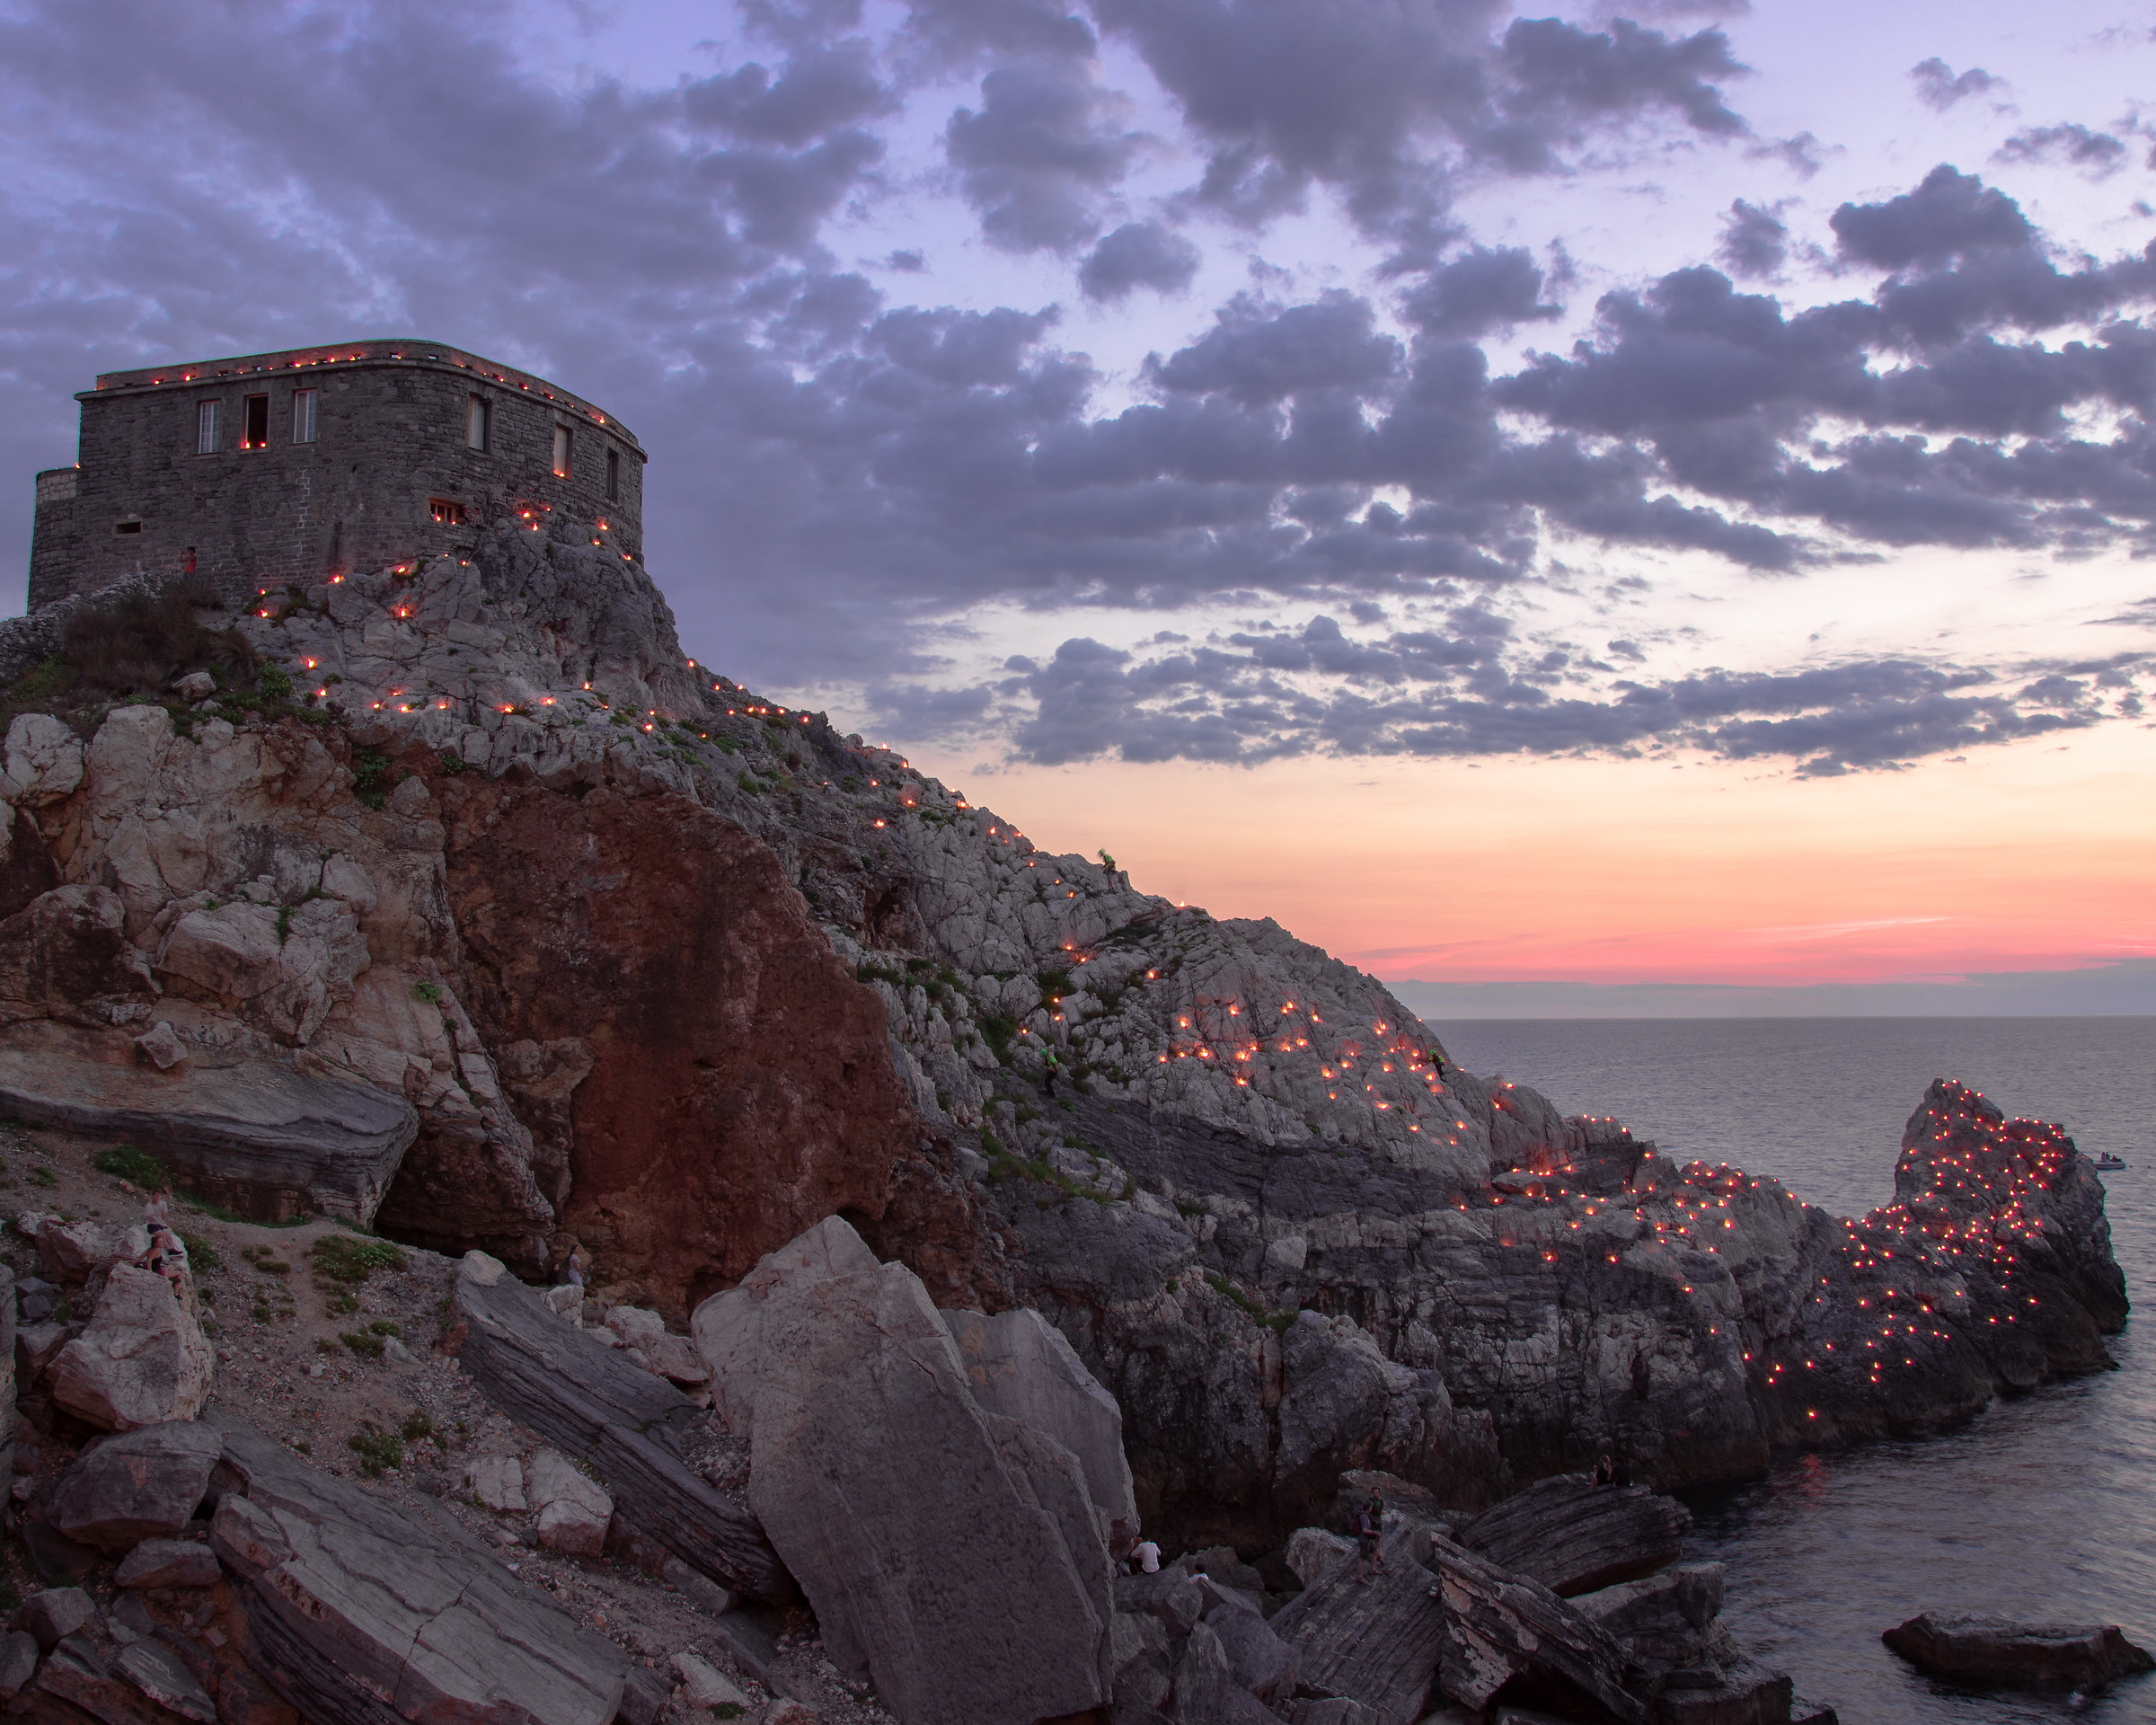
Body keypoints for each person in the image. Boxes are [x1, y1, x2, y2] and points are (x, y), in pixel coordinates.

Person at [1354, 1495, 1384, 1583]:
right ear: (1369, 1508)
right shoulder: (1363, 1517)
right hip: (1364, 1540)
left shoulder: (1365, 1516)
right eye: (1371, 1507)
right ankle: (1360, 1576)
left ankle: (1372, 1569)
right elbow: (1364, 1530)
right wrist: (1375, 1533)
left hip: (1367, 1539)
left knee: (1375, 1551)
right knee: (1363, 1557)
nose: (1371, 1509)